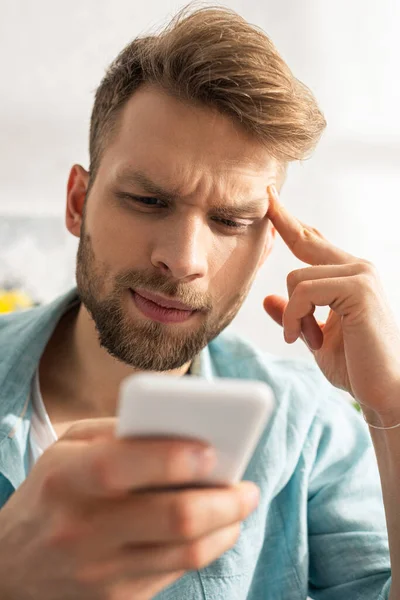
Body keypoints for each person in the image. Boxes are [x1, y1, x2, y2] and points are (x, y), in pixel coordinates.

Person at [0, 5, 397, 599]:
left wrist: (391, 408)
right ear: (78, 203)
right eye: (148, 200)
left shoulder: (309, 427)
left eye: (232, 220)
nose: (185, 259)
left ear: (267, 247)